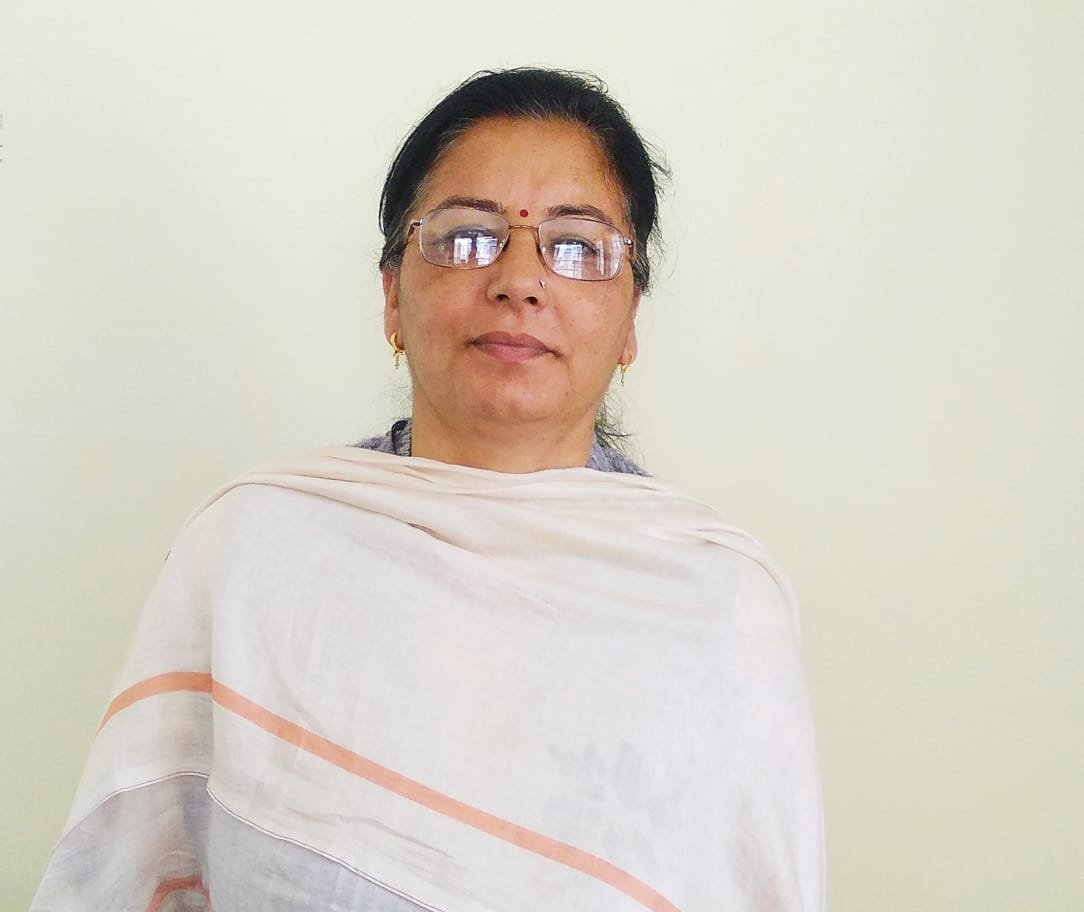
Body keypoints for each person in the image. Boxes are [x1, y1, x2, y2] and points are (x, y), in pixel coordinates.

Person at [32, 69, 824, 912]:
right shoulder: (250, 551)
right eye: (468, 236)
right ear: (391, 299)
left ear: (630, 321)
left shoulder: (715, 609)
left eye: (576, 246)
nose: (519, 279)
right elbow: (131, 877)